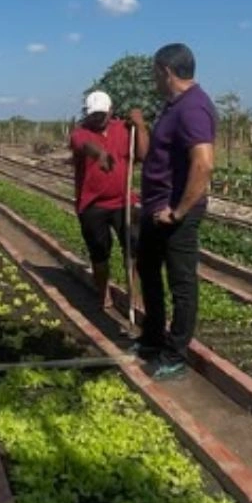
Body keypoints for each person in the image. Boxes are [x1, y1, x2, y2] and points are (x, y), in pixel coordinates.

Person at [133, 43, 216, 380]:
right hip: (157, 209)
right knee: (148, 271)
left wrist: (178, 211)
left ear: (166, 71)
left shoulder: (194, 108)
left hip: (176, 212)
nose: (153, 79)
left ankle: (175, 353)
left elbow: (204, 164)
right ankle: (152, 338)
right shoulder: (174, 106)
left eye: (155, 73)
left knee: (181, 282)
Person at [69, 90, 147, 310]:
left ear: (111, 111)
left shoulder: (124, 129)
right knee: (99, 252)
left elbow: (142, 155)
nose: (97, 118)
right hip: (92, 205)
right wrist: (100, 154)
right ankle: (103, 292)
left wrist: (140, 126)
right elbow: (84, 146)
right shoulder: (80, 132)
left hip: (123, 202)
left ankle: (134, 295)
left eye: (101, 114)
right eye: (93, 114)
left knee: (133, 248)